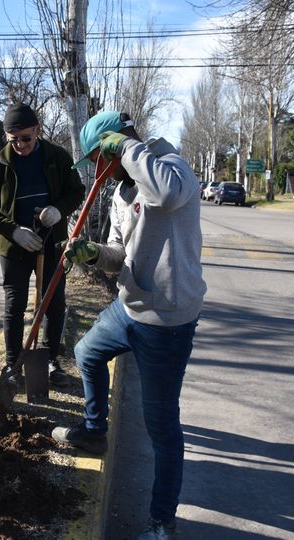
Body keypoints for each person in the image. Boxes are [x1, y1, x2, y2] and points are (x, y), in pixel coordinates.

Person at [51, 111, 206, 540]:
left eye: (100, 158)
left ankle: (161, 523)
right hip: (130, 307)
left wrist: (126, 147)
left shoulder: (171, 167)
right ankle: (95, 430)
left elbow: (168, 196)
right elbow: (119, 252)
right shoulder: (122, 189)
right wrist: (92, 253)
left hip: (166, 319)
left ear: (114, 145)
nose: (98, 171)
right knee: (87, 352)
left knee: (161, 425)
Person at [0, 102, 84, 387]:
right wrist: (13, 231)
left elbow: (77, 190)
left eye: (26, 138)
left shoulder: (57, 157)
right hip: (15, 249)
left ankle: (50, 360)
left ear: (37, 130)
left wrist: (59, 210)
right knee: (15, 305)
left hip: (51, 242)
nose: (21, 145)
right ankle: (13, 364)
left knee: (53, 301)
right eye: (14, 140)